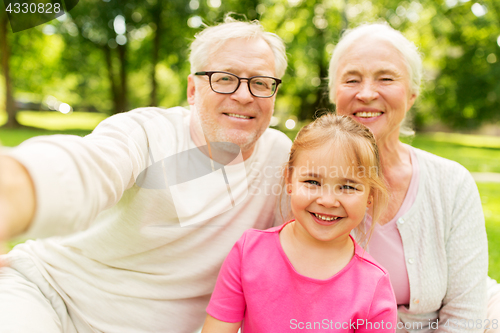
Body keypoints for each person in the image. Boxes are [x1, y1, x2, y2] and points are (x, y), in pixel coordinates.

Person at [0, 16, 292, 333]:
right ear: (193, 89)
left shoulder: (281, 158)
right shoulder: (147, 132)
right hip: (46, 293)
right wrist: (12, 194)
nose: (245, 95)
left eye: (261, 83)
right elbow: (86, 168)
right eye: (225, 78)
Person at [328, 22, 500, 332]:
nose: (366, 93)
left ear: (411, 95)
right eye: (352, 79)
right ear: (334, 95)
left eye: (386, 78)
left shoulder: (452, 182)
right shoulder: (307, 182)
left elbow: (466, 315)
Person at [201, 114, 397, 333]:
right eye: (312, 182)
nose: (328, 201)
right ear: (289, 180)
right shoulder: (248, 253)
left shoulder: (374, 286)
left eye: (348, 187)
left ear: (370, 196)